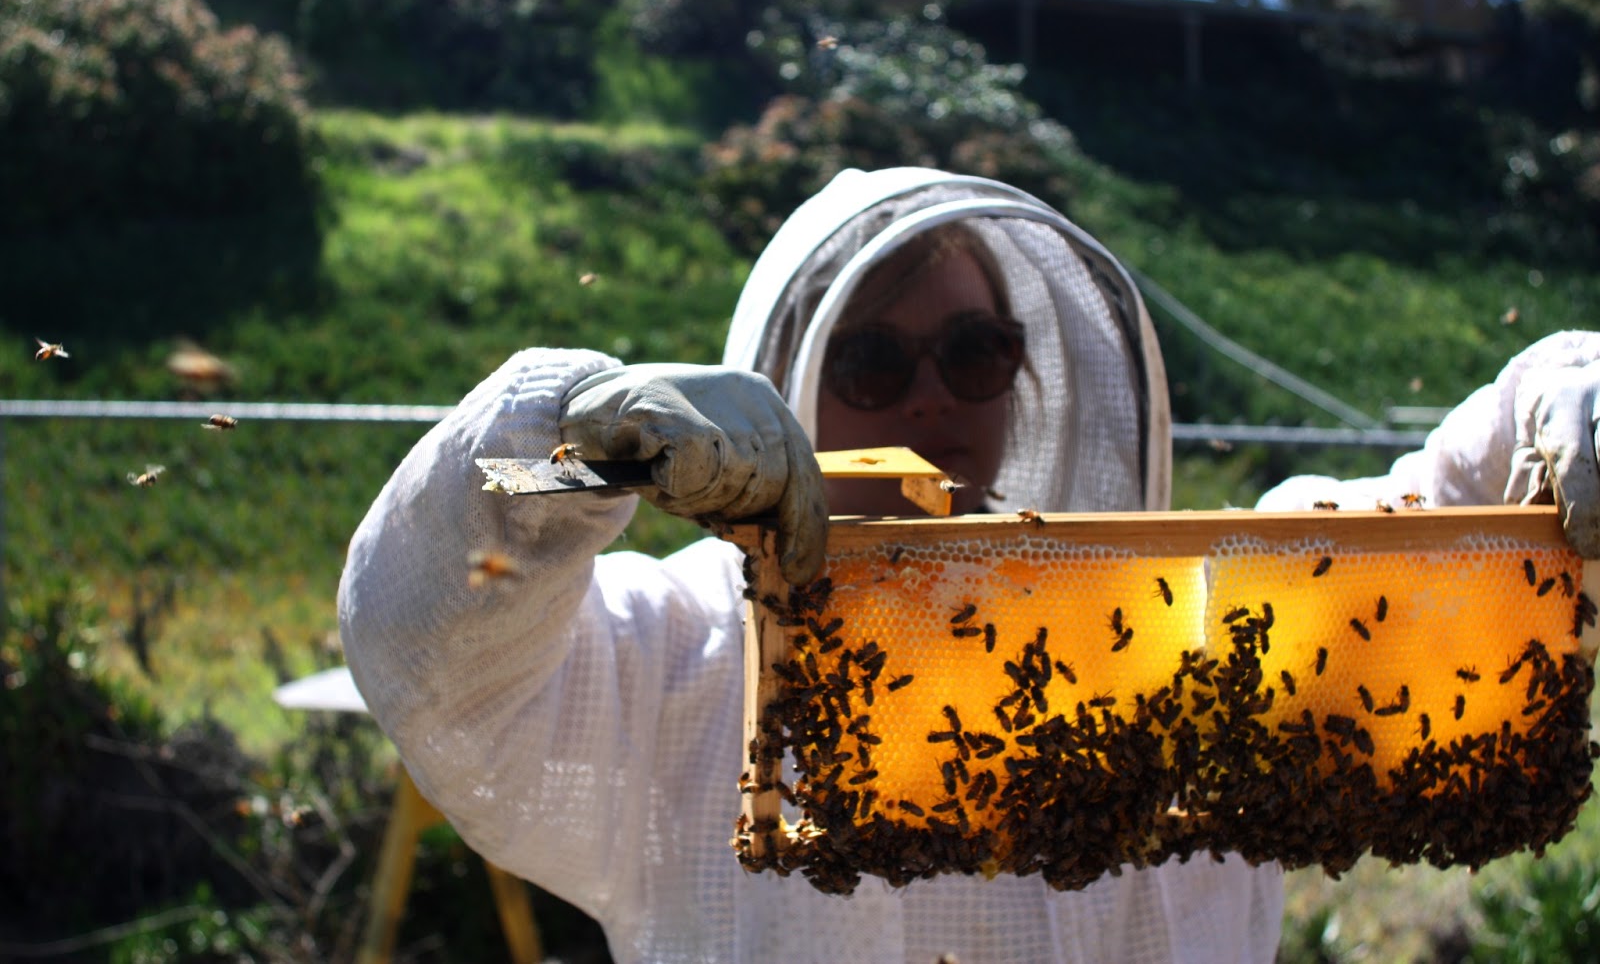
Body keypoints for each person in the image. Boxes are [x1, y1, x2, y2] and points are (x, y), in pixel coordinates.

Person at [338, 167, 1600, 963]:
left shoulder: (1195, 631)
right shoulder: (679, 654)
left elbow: (1448, 521)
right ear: (775, 390)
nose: (932, 396)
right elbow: (429, 653)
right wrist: (570, 442)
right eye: (875, 365)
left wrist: (1563, 388)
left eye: (977, 349)